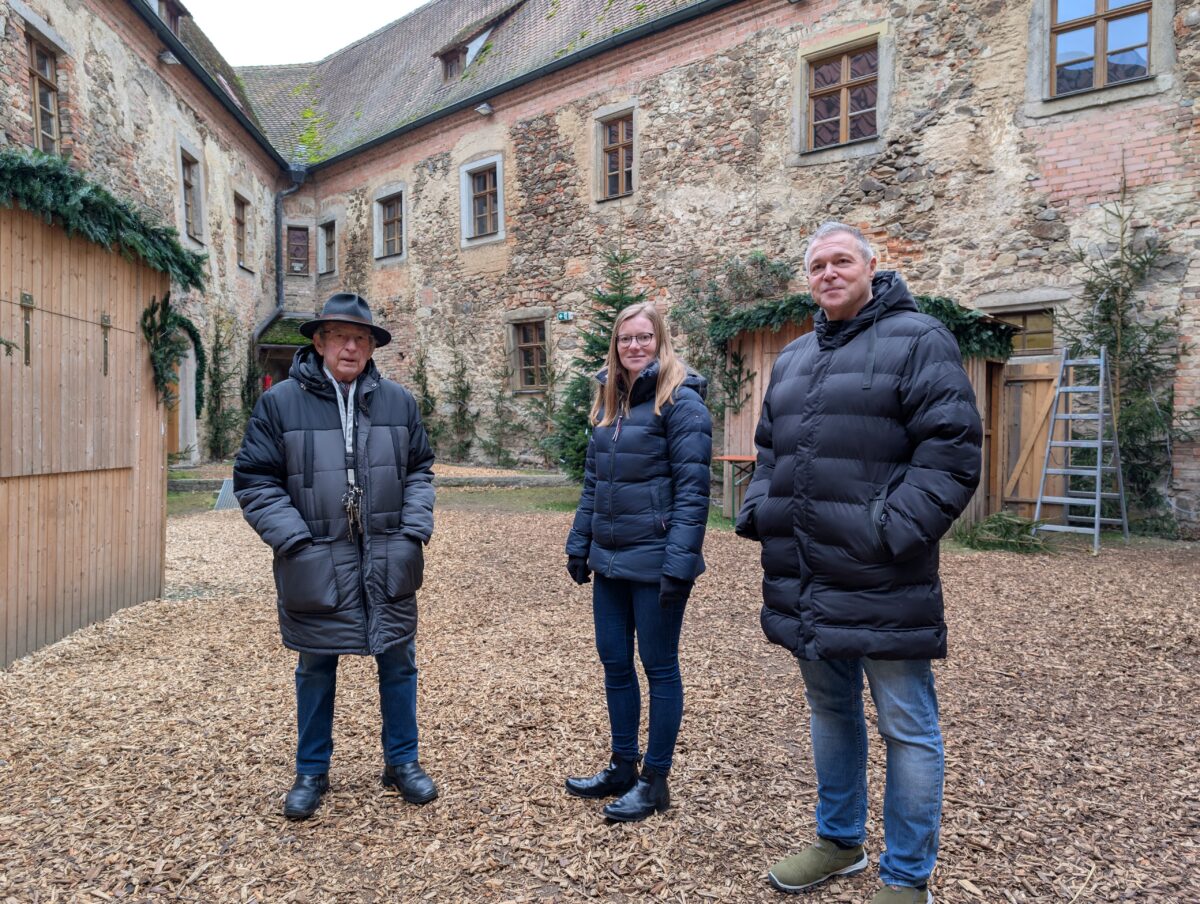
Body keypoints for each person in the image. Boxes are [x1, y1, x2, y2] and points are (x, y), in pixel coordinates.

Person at [736, 223, 982, 903]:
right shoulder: (793, 357)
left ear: (873, 265)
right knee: (830, 710)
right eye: (816, 264)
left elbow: (953, 451)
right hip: (806, 573)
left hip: (882, 574)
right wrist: (763, 511)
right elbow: (769, 451)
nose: (828, 272)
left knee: (907, 724)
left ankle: (908, 878)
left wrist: (888, 530)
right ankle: (839, 842)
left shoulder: (919, 340)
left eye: (841, 260)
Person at [234, 292, 438, 820]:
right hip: (316, 556)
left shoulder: (399, 402)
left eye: (361, 338)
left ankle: (402, 761)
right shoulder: (279, 403)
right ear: (320, 341)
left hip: (387, 552)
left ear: (372, 347)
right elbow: (255, 480)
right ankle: (311, 771)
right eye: (340, 336)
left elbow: (420, 470)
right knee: (316, 664)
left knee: (398, 660)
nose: (351, 346)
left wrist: (413, 529)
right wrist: (295, 540)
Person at [563, 301, 712, 822]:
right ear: (615, 343)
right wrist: (579, 541)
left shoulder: (682, 404)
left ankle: (655, 780)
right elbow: (594, 483)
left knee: (660, 667)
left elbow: (694, 494)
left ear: (660, 340)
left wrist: (679, 563)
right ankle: (623, 765)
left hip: (656, 560)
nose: (634, 346)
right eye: (626, 338)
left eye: (644, 337)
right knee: (614, 663)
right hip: (610, 558)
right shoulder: (610, 403)